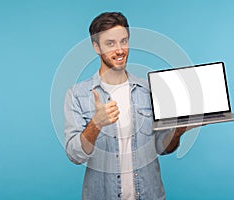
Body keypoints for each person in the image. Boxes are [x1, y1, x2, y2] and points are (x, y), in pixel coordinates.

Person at [64, 12, 196, 200]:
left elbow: (161, 147)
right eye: (110, 43)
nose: (119, 50)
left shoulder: (149, 90)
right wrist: (96, 124)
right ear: (96, 47)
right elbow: (75, 155)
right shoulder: (77, 94)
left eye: (123, 41)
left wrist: (177, 131)